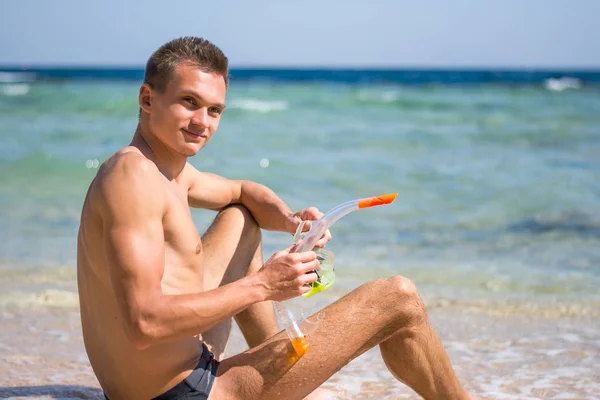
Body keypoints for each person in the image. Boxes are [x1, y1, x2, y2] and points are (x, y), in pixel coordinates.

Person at [77, 36, 472, 400]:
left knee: (241, 218)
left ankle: (280, 366)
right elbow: (144, 323)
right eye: (189, 102)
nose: (203, 122)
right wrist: (263, 285)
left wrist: (290, 221)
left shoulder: (166, 171)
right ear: (147, 98)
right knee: (398, 298)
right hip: (189, 393)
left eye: (215, 110)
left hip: (173, 371)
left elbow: (243, 192)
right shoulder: (133, 179)